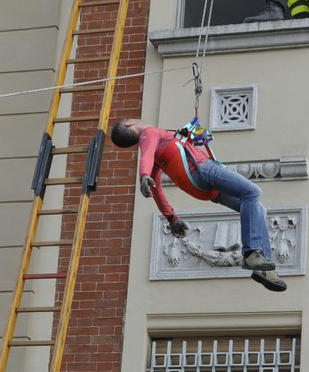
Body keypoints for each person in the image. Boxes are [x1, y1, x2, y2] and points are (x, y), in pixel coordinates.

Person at [109, 117, 287, 292]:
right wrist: (144, 174)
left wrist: (171, 217)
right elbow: (145, 156)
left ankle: (265, 269)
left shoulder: (159, 147)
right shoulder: (148, 134)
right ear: (129, 124)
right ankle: (251, 253)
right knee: (253, 192)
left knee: (258, 209)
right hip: (203, 170)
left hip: (203, 188)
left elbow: (156, 188)